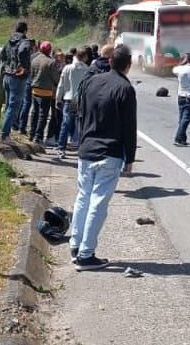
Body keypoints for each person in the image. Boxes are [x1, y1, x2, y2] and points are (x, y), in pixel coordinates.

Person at [68, 45, 138, 271]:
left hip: (86, 149)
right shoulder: (125, 88)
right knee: (98, 203)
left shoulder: (91, 82)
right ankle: (86, 254)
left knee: (83, 198)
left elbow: (81, 113)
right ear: (128, 65)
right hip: (110, 153)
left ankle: (75, 245)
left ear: (109, 61)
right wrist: (130, 157)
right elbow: (129, 127)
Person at [0, 22, 34, 142]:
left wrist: (6, 66)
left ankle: (5, 131)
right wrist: (23, 67)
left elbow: (2, 55)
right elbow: (23, 52)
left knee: (9, 106)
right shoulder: (24, 42)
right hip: (17, 78)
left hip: (7, 76)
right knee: (14, 107)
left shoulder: (9, 41)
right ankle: (4, 135)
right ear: (25, 31)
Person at [56, 48, 91, 157]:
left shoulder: (67, 68)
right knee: (81, 124)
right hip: (81, 100)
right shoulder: (87, 70)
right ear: (84, 57)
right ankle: (81, 146)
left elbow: (61, 84)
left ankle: (61, 147)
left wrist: (58, 98)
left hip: (68, 98)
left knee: (65, 124)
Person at [28, 42, 60, 145]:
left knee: (34, 112)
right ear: (49, 50)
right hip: (46, 92)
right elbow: (56, 78)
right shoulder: (51, 62)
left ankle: (31, 133)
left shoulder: (35, 60)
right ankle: (38, 136)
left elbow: (31, 74)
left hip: (34, 89)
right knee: (43, 115)